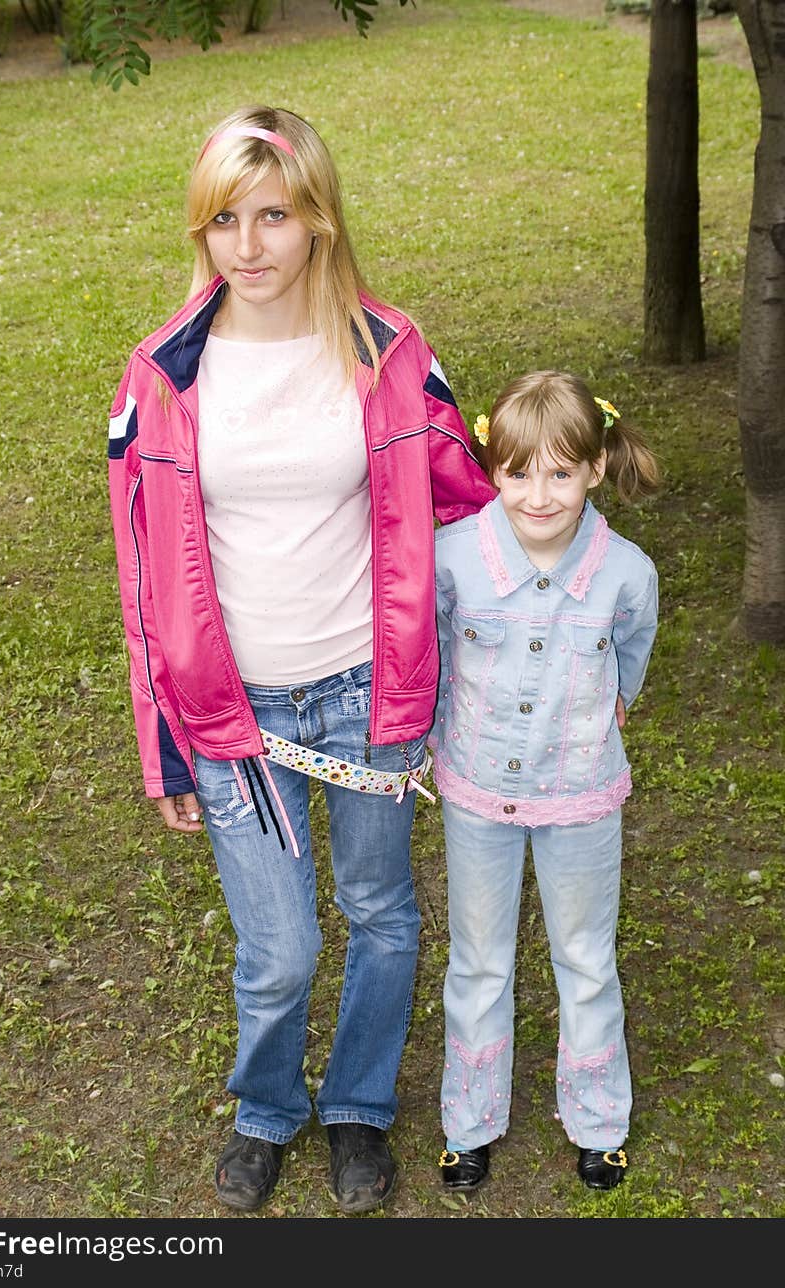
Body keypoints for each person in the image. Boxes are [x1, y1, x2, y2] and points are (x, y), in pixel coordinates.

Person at [106, 104, 494, 1214]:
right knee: (277, 949)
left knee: (379, 909)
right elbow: (142, 585)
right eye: (224, 218)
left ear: (318, 217)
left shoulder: (392, 353)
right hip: (234, 715)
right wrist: (165, 747)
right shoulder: (160, 377)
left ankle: (359, 1106)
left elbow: (472, 513)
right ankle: (268, 1108)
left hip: (373, 691)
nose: (249, 245)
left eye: (273, 214)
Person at [430, 370, 660, 1193]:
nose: (539, 494)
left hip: (581, 797)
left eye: (562, 472)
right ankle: (469, 1123)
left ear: (596, 470)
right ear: (494, 469)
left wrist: (608, 707)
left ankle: (599, 1123)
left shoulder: (627, 573)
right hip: (478, 794)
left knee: (586, 957)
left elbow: (629, 655)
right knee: (479, 959)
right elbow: (435, 661)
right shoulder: (452, 559)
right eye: (520, 471)